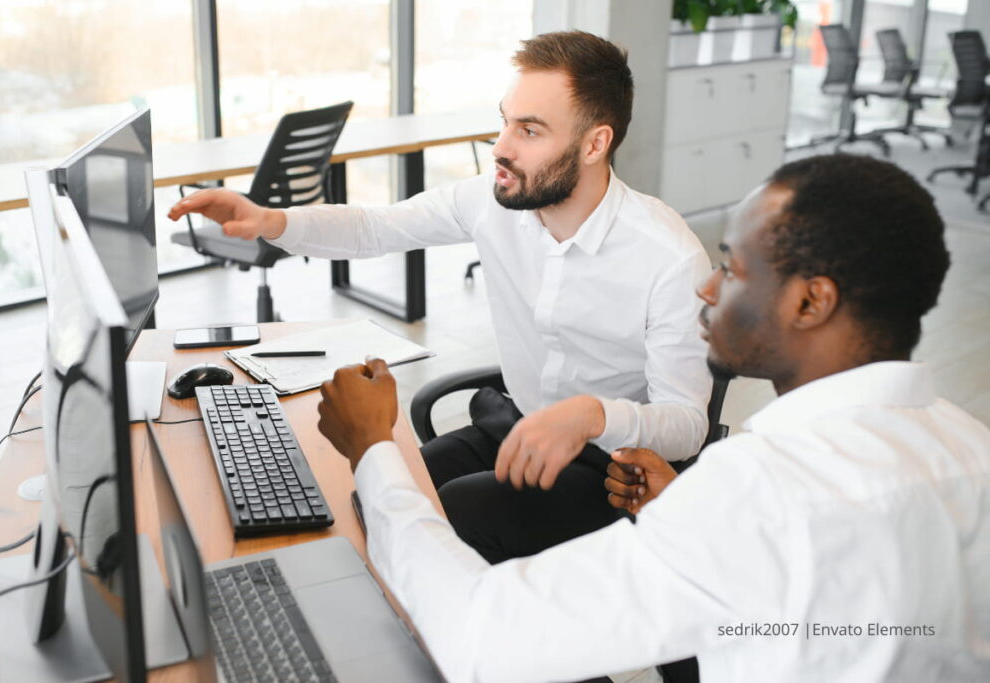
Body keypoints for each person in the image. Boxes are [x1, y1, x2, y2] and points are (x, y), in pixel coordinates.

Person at [315, 154, 990, 682]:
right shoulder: (971, 445)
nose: (706, 285)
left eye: (732, 266)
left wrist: (375, 443)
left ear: (811, 302)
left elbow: (474, 634)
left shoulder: (762, 490)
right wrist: (682, 507)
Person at [169, 30, 712, 561]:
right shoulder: (490, 201)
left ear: (595, 143)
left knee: (445, 517)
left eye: (530, 130)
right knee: (381, 495)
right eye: (505, 122)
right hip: (515, 423)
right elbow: (374, 228)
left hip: (611, 467)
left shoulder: (667, 257)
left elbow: (687, 423)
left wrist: (593, 415)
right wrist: (271, 220)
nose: (500, 147)